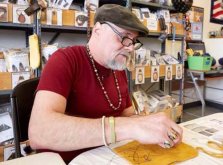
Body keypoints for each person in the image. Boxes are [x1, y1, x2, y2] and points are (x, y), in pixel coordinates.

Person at [28, 4, 183, 163]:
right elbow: (39, 132)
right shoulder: (65, 60)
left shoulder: (118, 69)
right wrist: (129, 127)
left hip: (108, 157)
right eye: (124, 37)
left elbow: (127, 116)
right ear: (97, 31)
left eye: (133, 41)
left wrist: (149, 124)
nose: (130, 48)